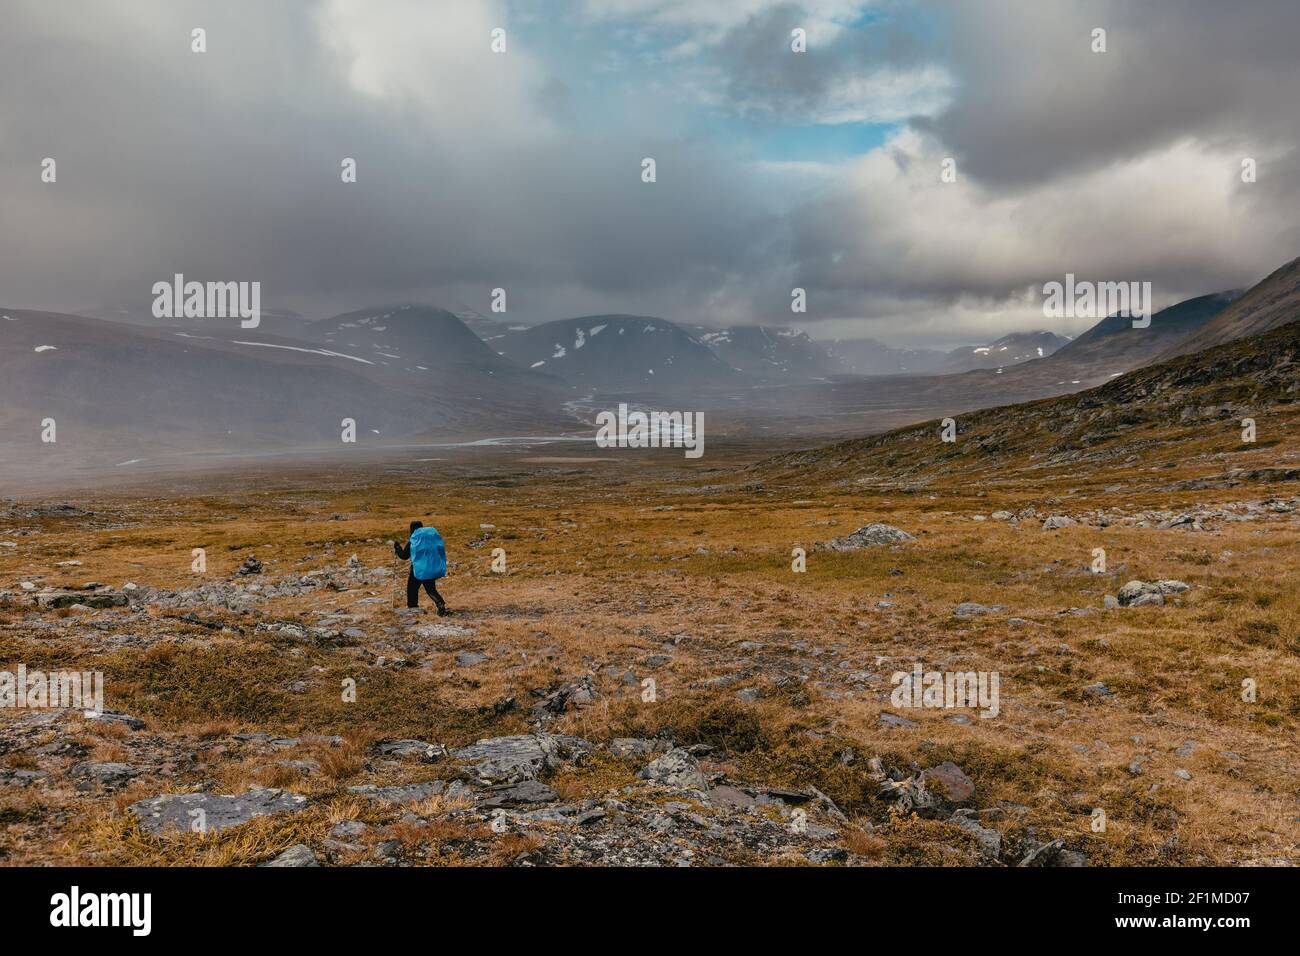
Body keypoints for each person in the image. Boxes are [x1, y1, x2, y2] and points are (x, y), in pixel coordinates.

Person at [393, 520, 448, 614]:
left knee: (412, 588)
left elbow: (404, 556)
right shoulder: (430, 539)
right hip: (430, 568)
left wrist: (398, 548)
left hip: (417, 570)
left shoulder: (414, 540)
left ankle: (413, 608)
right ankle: (440, 604)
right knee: (430, 589)